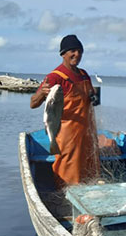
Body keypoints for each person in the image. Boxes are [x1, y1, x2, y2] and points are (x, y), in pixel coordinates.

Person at [30, 34, 99, 187]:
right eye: (72, 51)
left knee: (90, 166)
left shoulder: (83, 74)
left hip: (87, 132)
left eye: (80, 51)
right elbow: (33, 103)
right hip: (67, 134)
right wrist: (41, 93)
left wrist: (93, 96)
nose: (77, 55)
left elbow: (90, 97)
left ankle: (88, 197)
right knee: (68, 168)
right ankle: (64, 197)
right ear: (63, 53)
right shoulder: (54, 77)